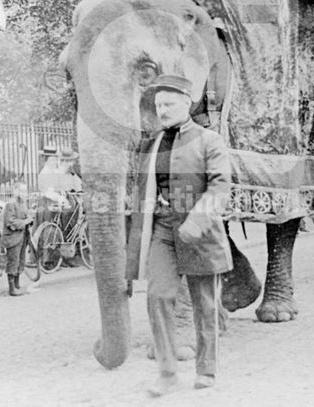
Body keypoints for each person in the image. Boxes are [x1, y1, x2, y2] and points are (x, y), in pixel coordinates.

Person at [127, 74, 233, 396]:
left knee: (205, 305)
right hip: (162, 228)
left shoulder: (209, 140)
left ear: (186, 103)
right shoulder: (152, 142)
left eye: (169, 103)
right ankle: (168, 371)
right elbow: (138, 189)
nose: (162, 110)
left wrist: (195, 221)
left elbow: (220, 186)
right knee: (158, 295)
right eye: (159, 104)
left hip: (200, 232)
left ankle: (207, 370)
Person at [1, 181, 33, 297]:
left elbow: (25, 217)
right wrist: (25, 222)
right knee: (13, 261)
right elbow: (10, 222)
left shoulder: (22, 203)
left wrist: (29, 218)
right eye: (22, 191)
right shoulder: (11, 204)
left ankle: (17, 284)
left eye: (25, 191)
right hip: (13, 237)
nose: (25, 193)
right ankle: (12, 288)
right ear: (15, 191)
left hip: (22, 237)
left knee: (20, 260)